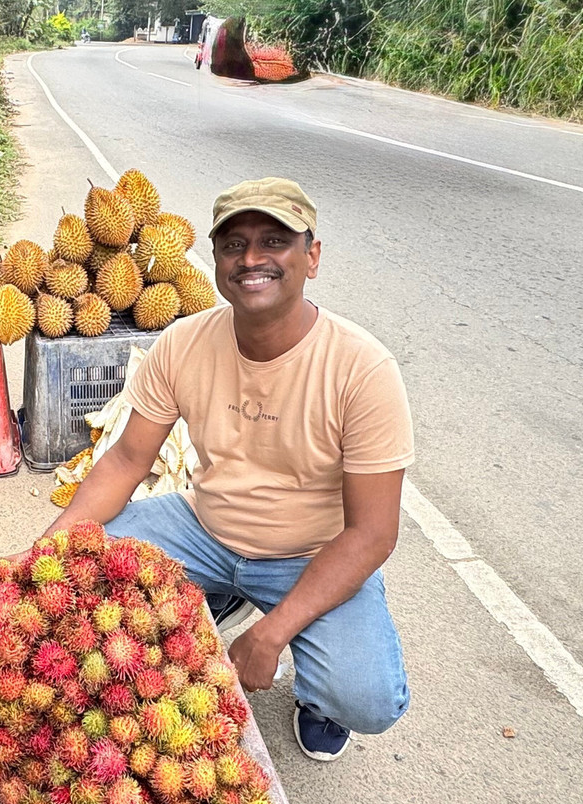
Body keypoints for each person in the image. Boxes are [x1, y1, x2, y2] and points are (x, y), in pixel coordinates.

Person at [38, 177, 414, 761]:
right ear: (215, 261)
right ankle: (217, 588)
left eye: (274, 241)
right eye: (234, 245)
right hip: (204, 528)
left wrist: (272, 634)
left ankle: (317, 697)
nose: (252, 259)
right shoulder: (183, 342)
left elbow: (373, 533)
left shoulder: (362, 369)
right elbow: (127, 461)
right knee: (79, 569)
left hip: (311, 553)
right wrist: (48, 547)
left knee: (365, 698)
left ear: (312, 257)